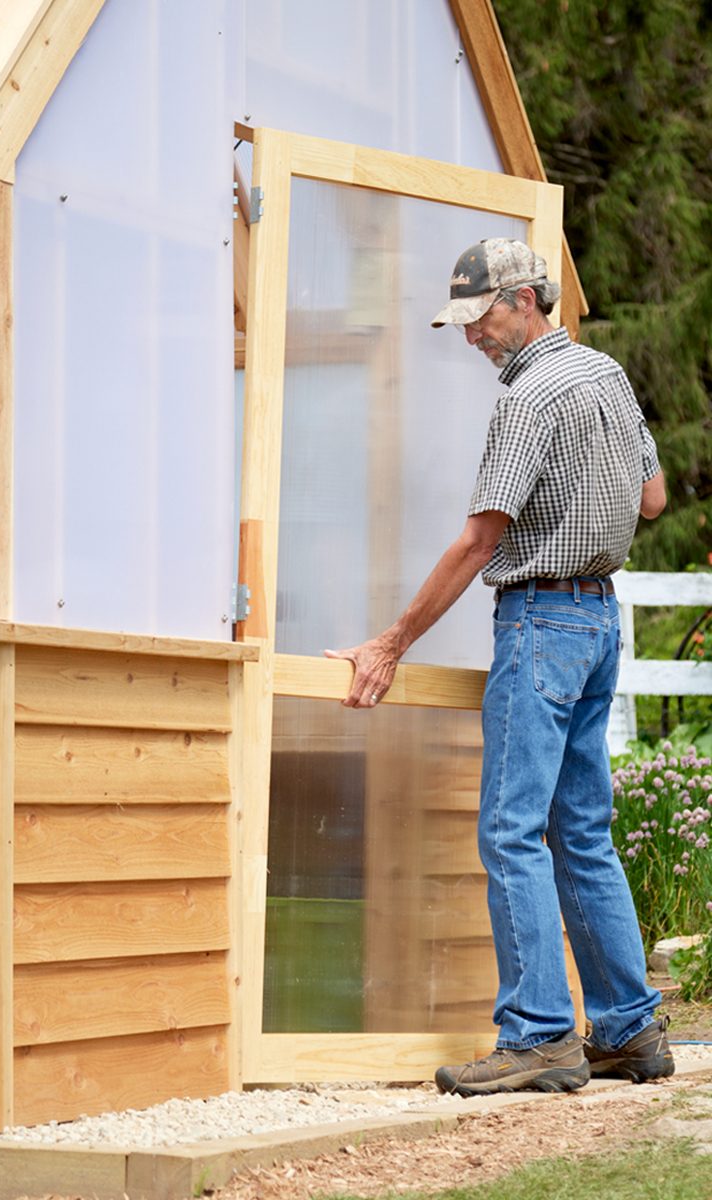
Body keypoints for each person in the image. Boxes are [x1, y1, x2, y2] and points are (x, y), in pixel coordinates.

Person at [326, 237, 672, 1098]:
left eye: (480, 318)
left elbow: (481, 538)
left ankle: (540, 1037)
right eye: (463, 323)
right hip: (598, 617)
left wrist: (390, 642)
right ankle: (629, 1031)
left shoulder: (527, 398)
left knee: (511, 830)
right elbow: (652, 499)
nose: (472, 337)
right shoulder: (607, 376)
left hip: (542, 620)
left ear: (525, 301)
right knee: (581, 829)